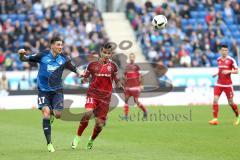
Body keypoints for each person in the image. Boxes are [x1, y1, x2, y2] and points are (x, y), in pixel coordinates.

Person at [18, 36, 82, 152]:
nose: (60, 47)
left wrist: (80, 72)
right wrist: (21, 54)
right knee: (46, 112)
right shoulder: (42, 55)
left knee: (58, 114)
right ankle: (49, 143)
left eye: (61, 45)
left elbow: (73, 68)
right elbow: (25, 59)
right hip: (43, 90)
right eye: (58, 44)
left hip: (57, 90)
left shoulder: (63, 58)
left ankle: (53, 114)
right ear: (52, 45)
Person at [71, 43, 123, 150]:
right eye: (104, 52)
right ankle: (77, 137)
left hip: (105, 98)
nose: (106, 55)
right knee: (88, 113)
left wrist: (119, 85)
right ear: (100, 52)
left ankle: (91, 140)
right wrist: (83, 79)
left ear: (111, 54)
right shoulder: (92, 65)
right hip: (93, 94)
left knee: (99, 125)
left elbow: (116, 79)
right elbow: (86, 76)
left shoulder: (113, 66)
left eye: (109, 53)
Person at [209, 44, 239, 125]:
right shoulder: (218, 59)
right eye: (223, 50)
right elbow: (220, 70)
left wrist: (229, 71)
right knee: (215, 99)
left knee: (231, 102)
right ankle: (215, 119)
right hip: (219, 84)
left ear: (227, 51)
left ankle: (238, 116)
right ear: (220, 51)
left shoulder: (231, 60)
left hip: (228, 85)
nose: (224, 52)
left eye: (226, 50)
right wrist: (216, 74)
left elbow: (237, 71)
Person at [123, 53, 147, 120]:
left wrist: (141, 84)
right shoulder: (126, 67)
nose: (131, 58)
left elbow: (140, 76)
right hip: (128, 87)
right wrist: (124, 85)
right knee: (126, 100)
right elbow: (125, 77)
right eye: (130, 57)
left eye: (133, 57)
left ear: (134, 58)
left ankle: (145, 111)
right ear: (129, 58)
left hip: (135, 87)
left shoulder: (136, 67)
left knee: (136, 101)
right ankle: (126, 116)